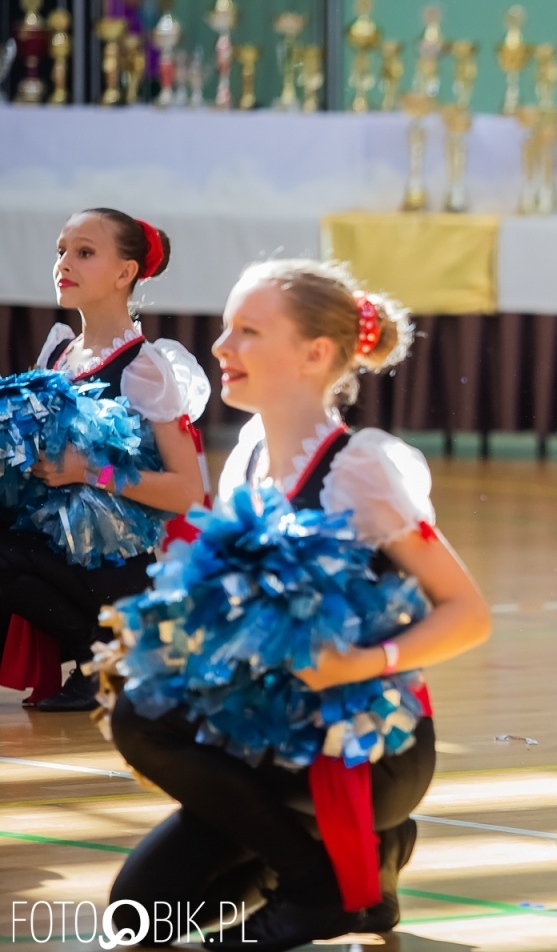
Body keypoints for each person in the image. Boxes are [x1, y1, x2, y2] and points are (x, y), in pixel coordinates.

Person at [108, 260, 492, 951]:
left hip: (361, 754)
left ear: (316, 354)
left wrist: (360, 665)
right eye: (227, 329)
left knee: (143, 721)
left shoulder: (360, 469)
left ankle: (322, 885)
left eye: (248, 331)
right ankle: (360, 870)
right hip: (264, 742)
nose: (221, 347)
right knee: (135, 920)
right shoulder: (250, 452)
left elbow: (469, 613)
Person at [0, 208, 208, 712]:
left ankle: (110, 657)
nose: (64, 263)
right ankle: (96, 657)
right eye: (61, 251)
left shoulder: (146, 368)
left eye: (84, 253)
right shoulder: (58, 355)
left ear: (126, 273)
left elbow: (187, 492)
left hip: (119, 566)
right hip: (59, 553)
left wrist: (89, 472)